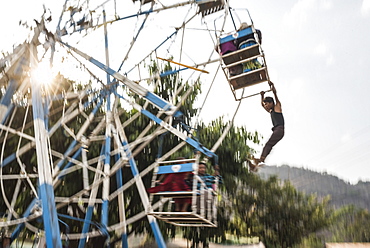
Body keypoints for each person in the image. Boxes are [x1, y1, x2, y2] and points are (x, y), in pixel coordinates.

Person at [249, 81, 285, 172]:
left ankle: (261, 160)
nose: (266, 106)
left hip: (279, 129)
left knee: (268, 144)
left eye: (267, 104)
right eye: (265, 104)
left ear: (271, 103)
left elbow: (275, 95)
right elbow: (262, 105)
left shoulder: (277, 107)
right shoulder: (271, 111)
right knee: (269, 145)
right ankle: (258, 162)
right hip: (277, 130)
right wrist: (262, 96)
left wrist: (272, 86)